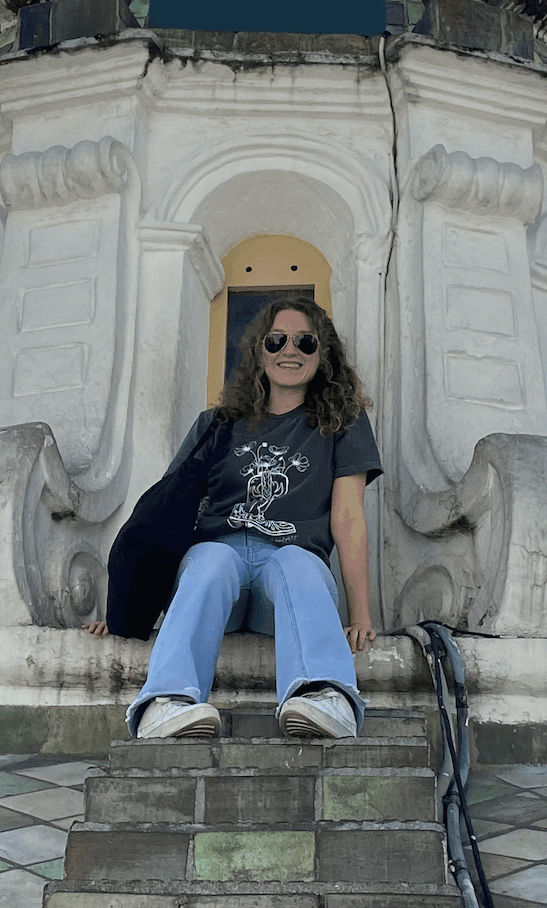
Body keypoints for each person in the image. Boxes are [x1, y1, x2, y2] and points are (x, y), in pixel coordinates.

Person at [86, 298, 379, 740]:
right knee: (211, 561)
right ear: (260, 352)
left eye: (306, 341)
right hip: (216, 568)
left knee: (297, 564)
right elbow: (161, 519)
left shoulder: (342, 423)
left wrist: (361, 615)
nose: (290, 350)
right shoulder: (216, 423)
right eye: (276, 340)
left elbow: (349, 517)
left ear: (324, 355)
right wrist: (125, 612)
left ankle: (324, 696)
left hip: (283, 582)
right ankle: (167, 703)